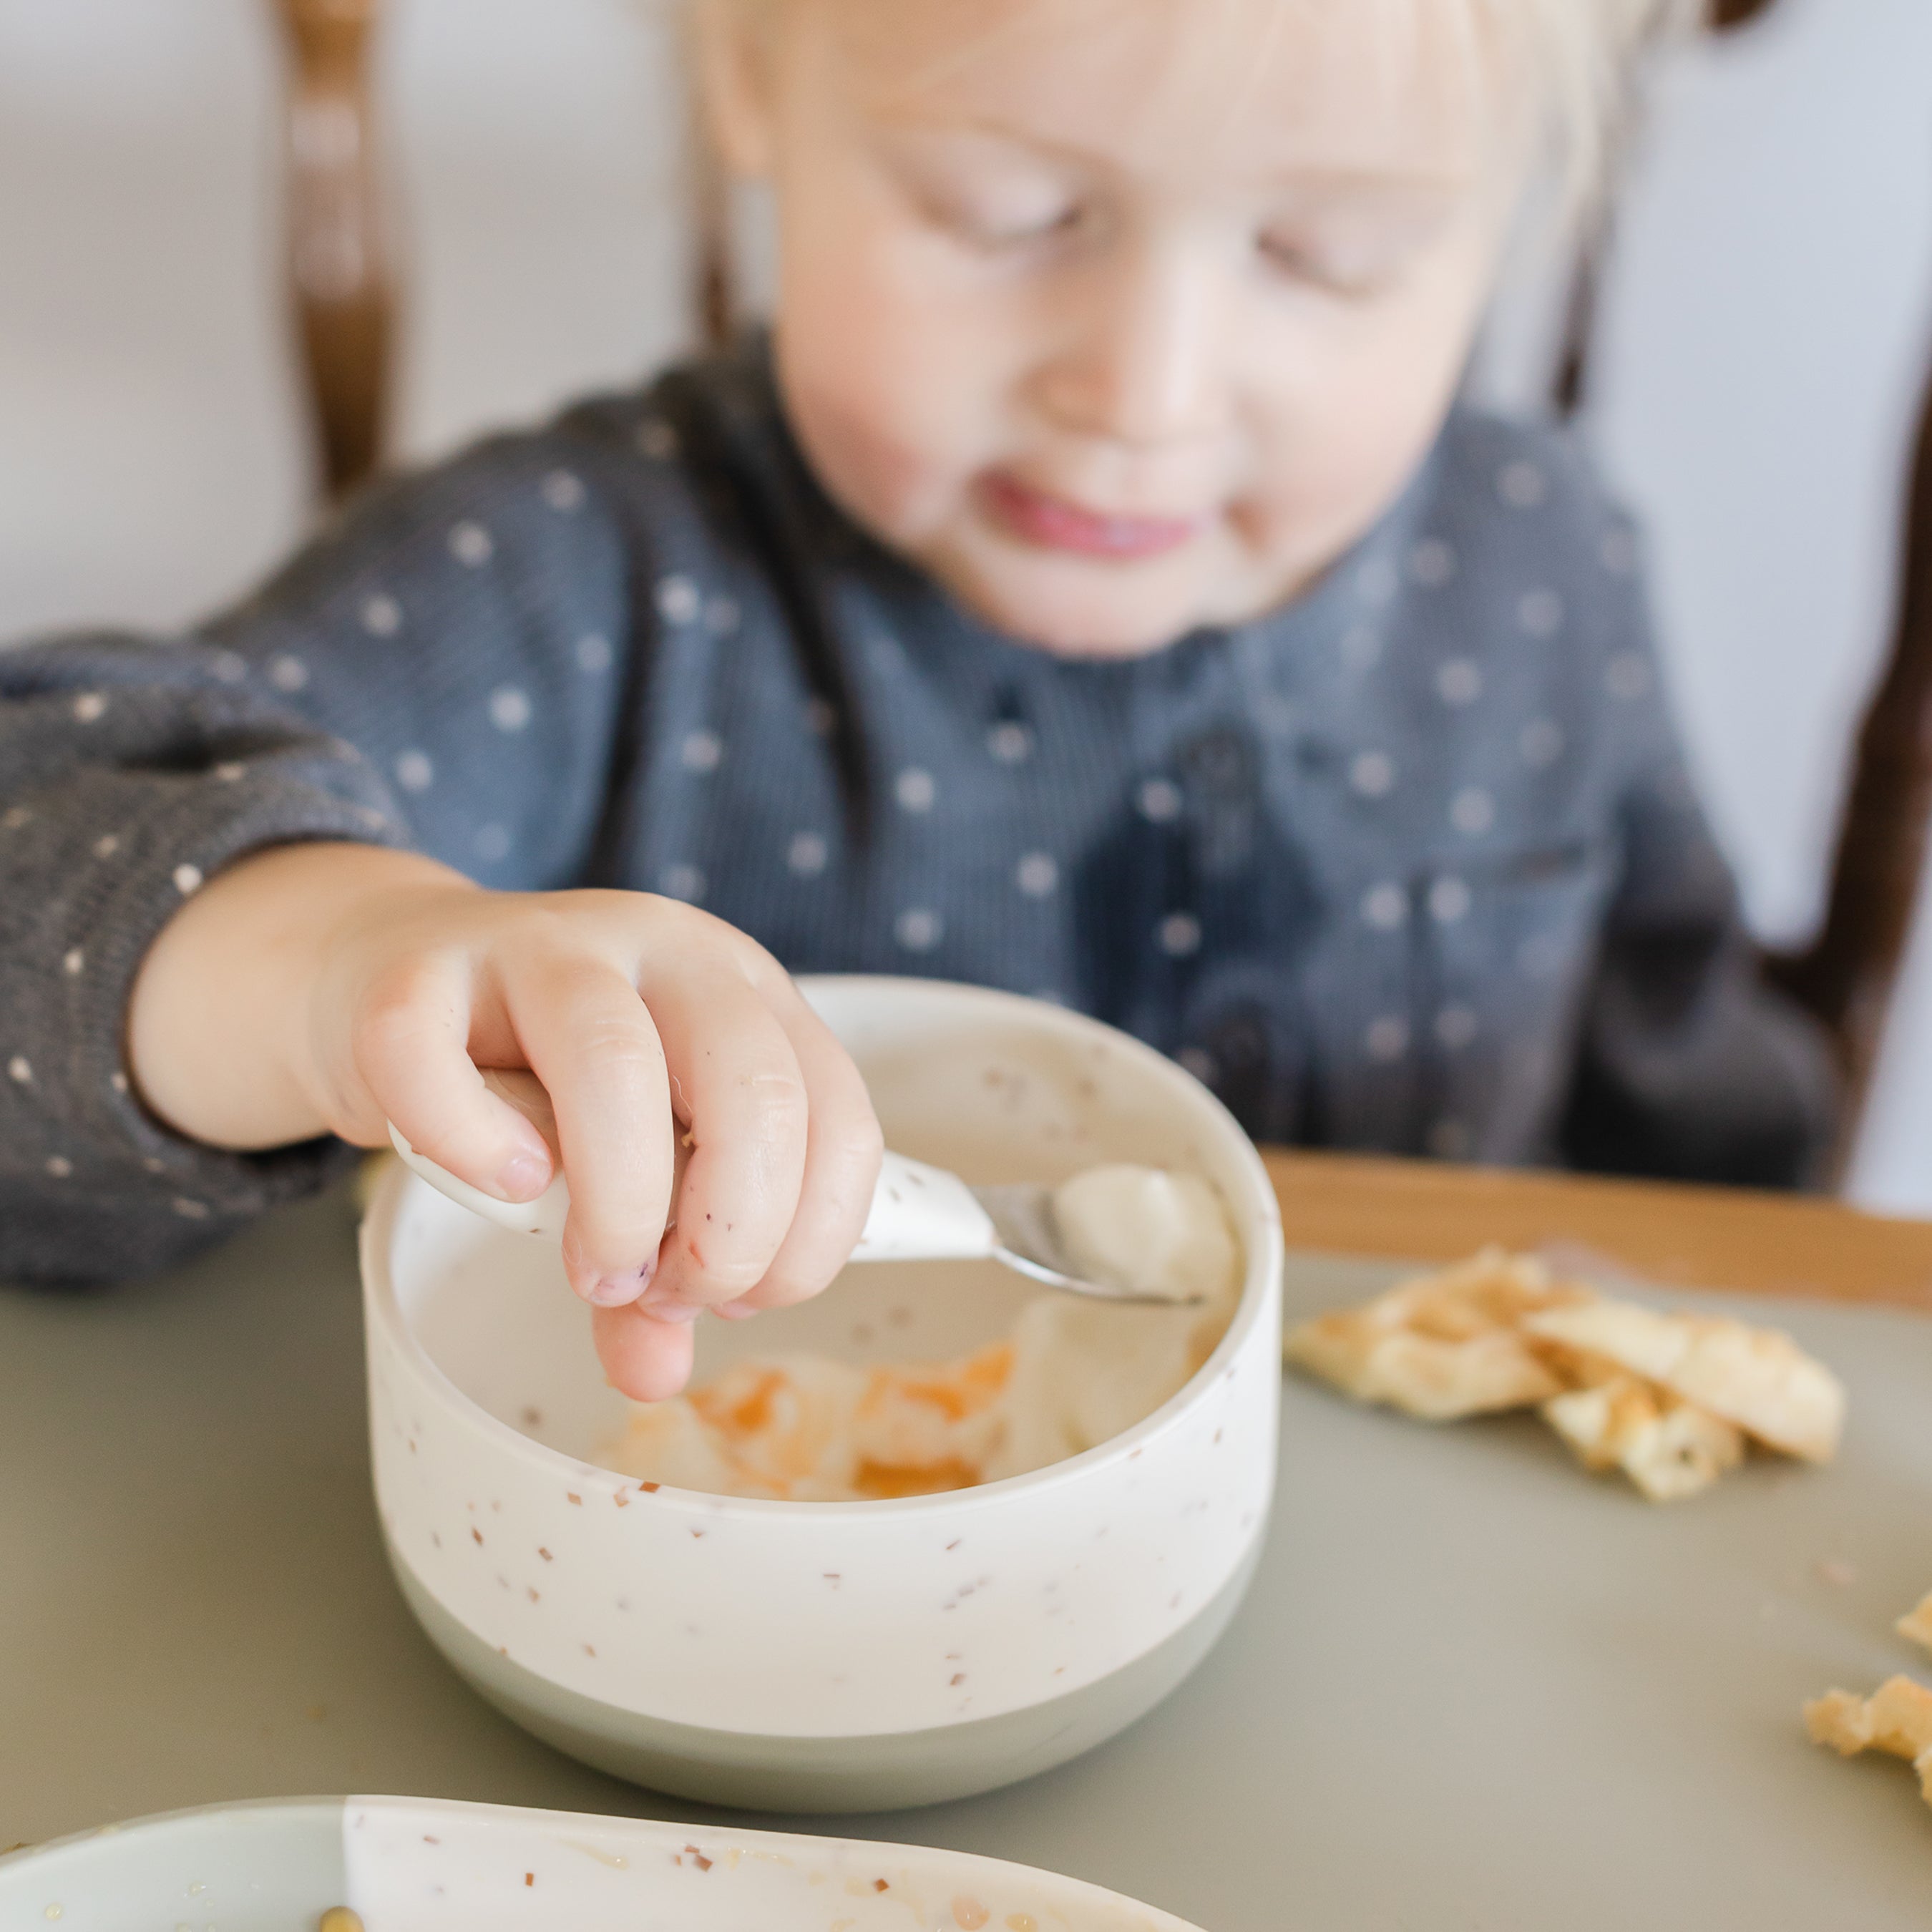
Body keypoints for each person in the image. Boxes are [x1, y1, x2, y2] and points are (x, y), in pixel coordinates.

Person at [0, 0, 1835, 1399]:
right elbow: (45, 845)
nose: (1145, 390)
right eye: (1011, 211)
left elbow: (1723, 1165)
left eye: (1323, 258)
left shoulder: (1539, 572)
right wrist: (329, 962)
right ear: (747, 67)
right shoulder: (584, 577)